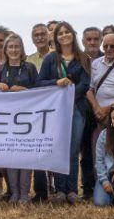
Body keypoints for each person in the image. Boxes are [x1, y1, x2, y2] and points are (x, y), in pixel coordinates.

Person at [38, 22, 91, 205]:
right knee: (59, 149)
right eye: (60, 33)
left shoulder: (83, 58)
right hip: (56, 111)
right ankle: (60, 190)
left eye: (67, 32)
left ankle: (72, 190)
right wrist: (56, 83)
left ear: (72, 34)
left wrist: (70, 95)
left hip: (77, 108)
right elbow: (40, 82)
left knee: (73, 150)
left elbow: (86, 83)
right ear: (56, 37)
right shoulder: (51, 59)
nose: (64, 35)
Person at [0, 35, 40, 203]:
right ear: (5, 50)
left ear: (21, 49)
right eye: (10, 47)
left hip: (28, 118)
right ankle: (13, 192)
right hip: (6, 118)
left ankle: (24, 193)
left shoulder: (30, 68)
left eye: (17, 47)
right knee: (11, 154)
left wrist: (23, 89)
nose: (14, 50)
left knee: (25, 154)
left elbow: (39, 91)